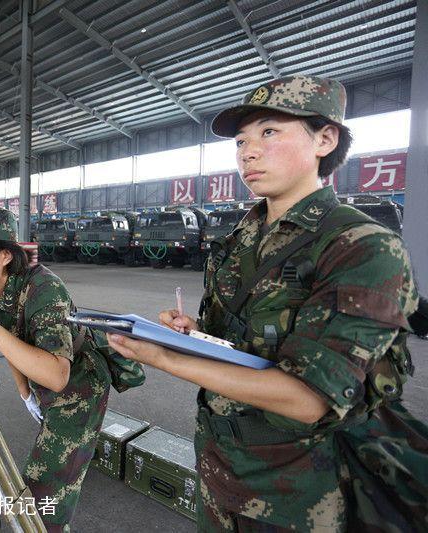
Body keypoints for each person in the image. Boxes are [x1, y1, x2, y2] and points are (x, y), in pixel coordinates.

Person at [106, 75, 427, 531]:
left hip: (299, 491)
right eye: (240, 141)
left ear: (325, 138)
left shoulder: (362, 246)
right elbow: (242, 340)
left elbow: (308, 399)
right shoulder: (242, 238)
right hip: (221, 465)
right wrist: (192, 333)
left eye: (269, 132)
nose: (247, 152)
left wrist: (161, 357)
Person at [0, 204, 112, 532]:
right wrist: (25, 392)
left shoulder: (44, 289)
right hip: (41, 374)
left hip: (78, 388)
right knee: (60, 466)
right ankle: (72, 467)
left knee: (40, 501)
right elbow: (11, 338)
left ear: (6, 255)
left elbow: (56, 375)